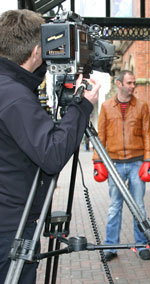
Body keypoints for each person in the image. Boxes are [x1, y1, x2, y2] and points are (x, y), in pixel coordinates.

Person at [0, 9, 101, 283]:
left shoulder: (9, 87)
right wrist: (82, 107)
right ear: (36, 51)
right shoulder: (16, 97)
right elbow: (52, 155)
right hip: (11, 227)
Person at [92, 70, 150, 261]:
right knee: (114, 207)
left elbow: (147, 134)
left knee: (139, 207)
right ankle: (111, 247)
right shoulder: (106, 107)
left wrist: (149, 160)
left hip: (137, 162)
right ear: (119, 84)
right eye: (129, 83)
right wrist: (97, 160)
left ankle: (142, 244)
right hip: (114, 164)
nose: (132, 86)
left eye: (134, 82)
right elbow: (100, 136)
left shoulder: (142, 106)